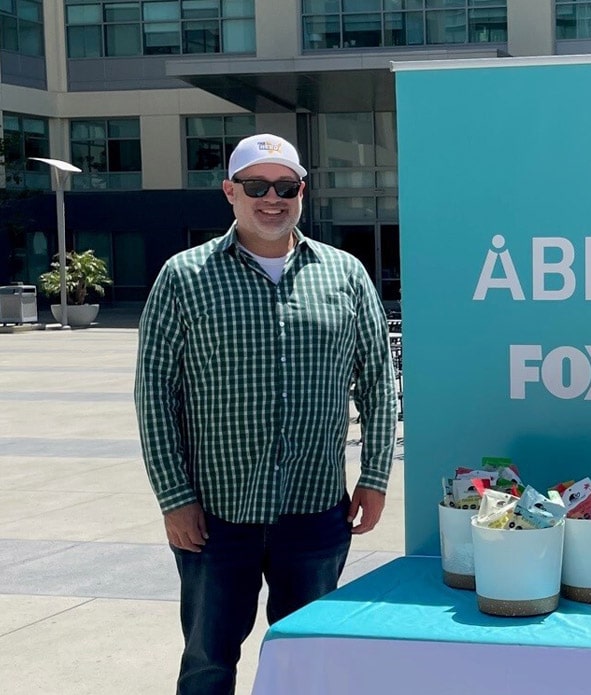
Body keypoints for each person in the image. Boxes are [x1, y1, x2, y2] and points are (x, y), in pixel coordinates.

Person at [135, 133, 398, 694]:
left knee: (309, 662)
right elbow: (154, 394)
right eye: (257, 185)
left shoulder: (345, 274)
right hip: (215, 516)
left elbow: (380, 382)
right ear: (231, 191)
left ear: (303, 191)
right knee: (207, 662)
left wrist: (374, 479)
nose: (272, 198)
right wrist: (174, 498)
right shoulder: (184, 277)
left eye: (286, 186)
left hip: (315, 513)